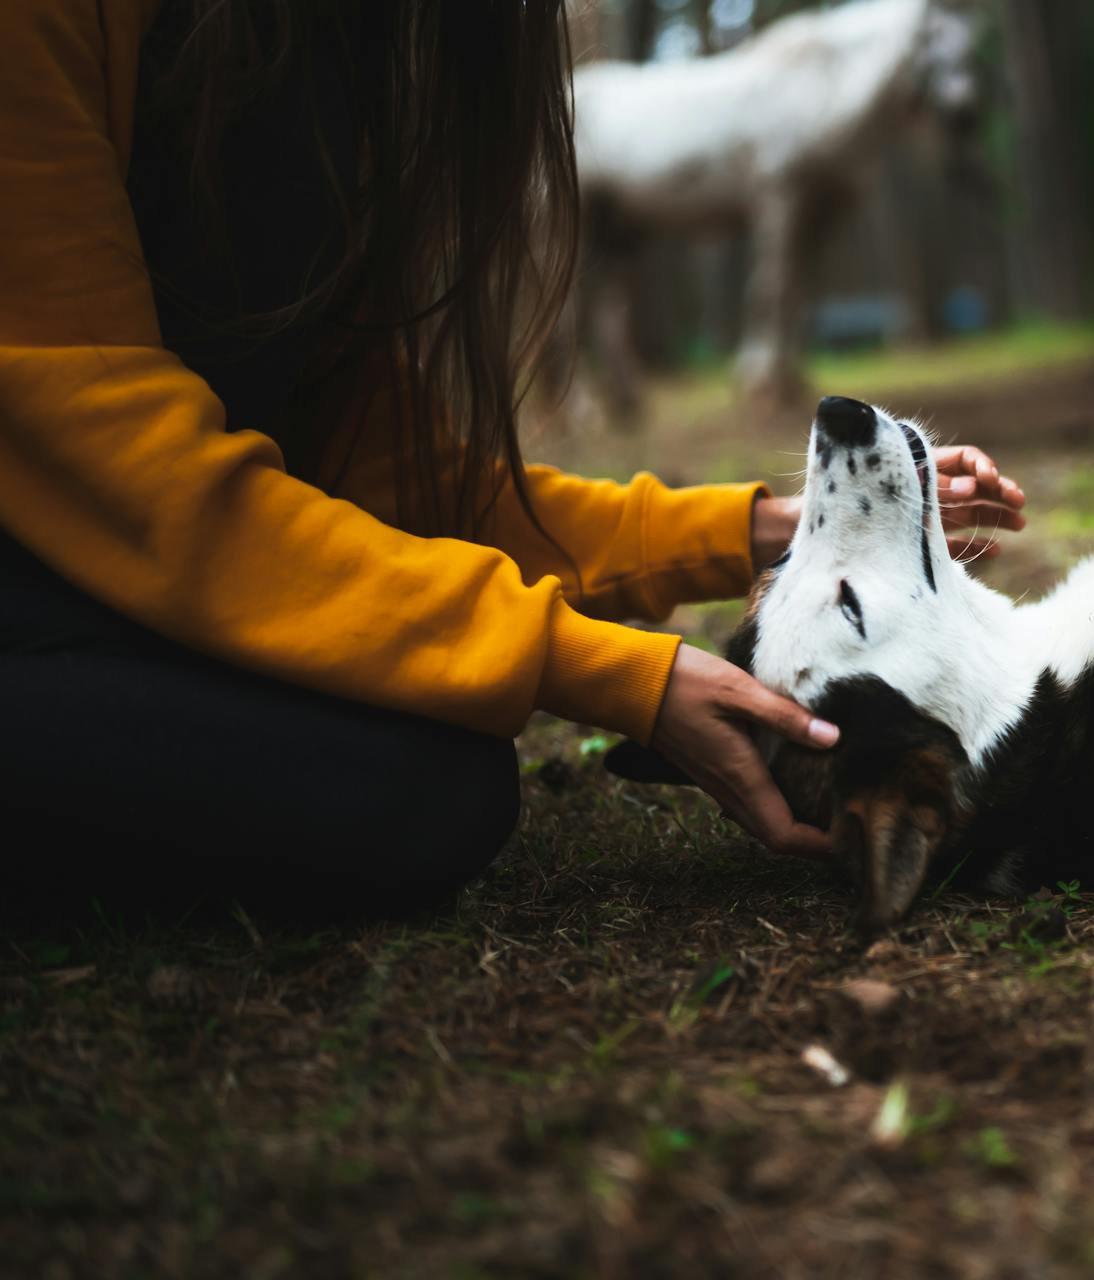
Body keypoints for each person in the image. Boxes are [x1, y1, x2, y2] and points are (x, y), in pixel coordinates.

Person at [0, 0, 1024, 912]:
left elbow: (400, 490)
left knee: (421, 772)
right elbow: (130, 475)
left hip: (123, 571)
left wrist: (772, 525)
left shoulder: (329, 66)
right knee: (410, 787)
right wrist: (597, 669)